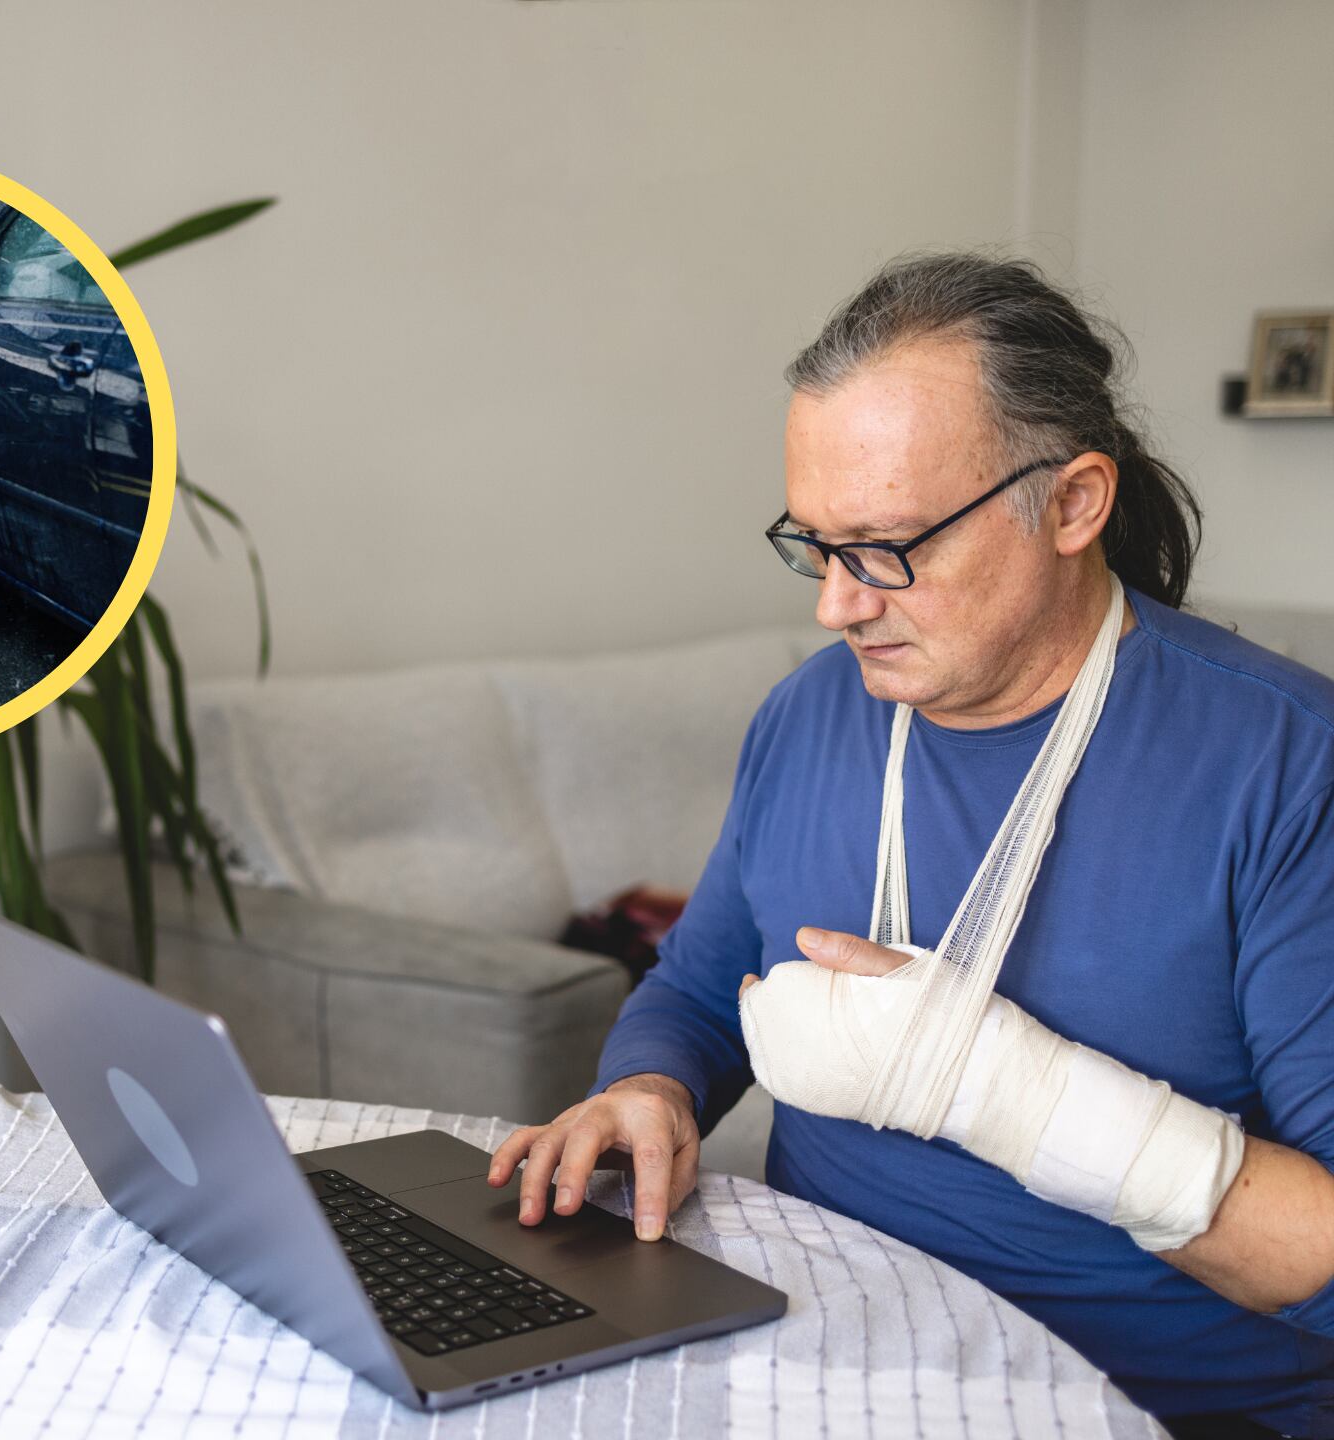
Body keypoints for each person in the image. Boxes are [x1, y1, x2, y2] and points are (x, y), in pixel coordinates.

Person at [489, 253, 1334, 1437]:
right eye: (816, 544)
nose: (835, 605)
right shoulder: (809, 714)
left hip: (1144, 1406)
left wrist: (1000, 1088)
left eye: (888, 546)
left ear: (1074, 505)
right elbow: (700, 985)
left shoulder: (1286, 768)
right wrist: (646, 1088)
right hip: (809, 1351)